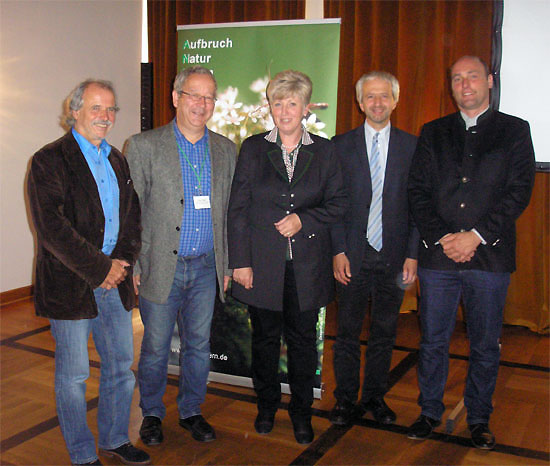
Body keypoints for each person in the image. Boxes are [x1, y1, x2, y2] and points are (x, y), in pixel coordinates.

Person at [407, 56, 535, 449]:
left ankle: (479, 417)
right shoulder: (433, 131)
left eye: (473, 76)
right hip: (439, 255)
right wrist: (445, 237)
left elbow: (519, 192)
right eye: (457, 78)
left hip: (490, 256)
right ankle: (429, 411)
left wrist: (475, 236)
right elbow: (418, 191)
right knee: (432, 340)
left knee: (484, 343)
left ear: (490, 81)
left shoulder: (514, 130)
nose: (464, 84)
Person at [27, 80, 149, 466]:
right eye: (96, 108)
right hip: (72, 283)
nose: (106, 117)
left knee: (119, 368)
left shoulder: (117, 159)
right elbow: (52, 229)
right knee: (74, 377)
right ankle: (81, 455)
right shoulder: (49, 160)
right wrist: (102, 269)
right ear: (74, 111)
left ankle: (114, 439)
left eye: (112, 109)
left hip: (115, 281)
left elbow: (132, 217)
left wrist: (122, 264)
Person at [227, 70, 347, 444]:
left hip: (307, 267)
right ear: (269, 106)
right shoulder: (252, 148)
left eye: (292, 103)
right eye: (277, 102)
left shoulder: (325, 150)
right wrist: (240, 261)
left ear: (306, 107)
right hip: (261, 264)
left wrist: (304, 219)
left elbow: (340, 203)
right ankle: (266, 407)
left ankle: (301, 413)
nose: (284, 110)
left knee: (301, 343)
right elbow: (238, 209)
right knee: (263, 341)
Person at [125, 66, 236, 445]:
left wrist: (228, 264)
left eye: (208, 97)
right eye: (193, 95)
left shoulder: (225, 149)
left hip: (206, 266)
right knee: (155, 347)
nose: (201, 104)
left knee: (199, 345)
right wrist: (137, 264)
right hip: (162, 266)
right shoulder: (143, 146)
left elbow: (229, 213)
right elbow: (131, 212)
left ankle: (191, 410)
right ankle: (152, 414)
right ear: (175, 97)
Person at [329, 72, 419, 426]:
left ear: (395, 100)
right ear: (360, 102)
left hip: (395, 258)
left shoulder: (413, 147)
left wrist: (413, 254)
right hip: (352, 255)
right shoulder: (340, 146)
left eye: (384, 96)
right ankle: (345, 400)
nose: (377, 103)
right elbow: (333, 203)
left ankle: (375, 398)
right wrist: (337, 249)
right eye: (370, 97)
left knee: (385, 332)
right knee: (347, 333)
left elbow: (418, 206)